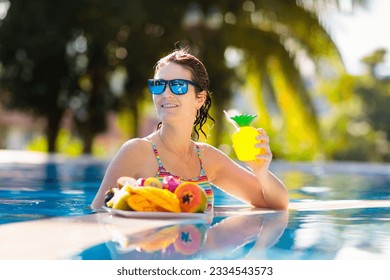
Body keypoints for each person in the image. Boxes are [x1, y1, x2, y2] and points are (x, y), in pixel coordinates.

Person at [91, 47, 288, 211]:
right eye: (159, 85)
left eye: (178, 86)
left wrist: (260, 171)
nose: (166, 94)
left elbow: (276, 204)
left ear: (200, 98)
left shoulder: (207, 158)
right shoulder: (136, 151)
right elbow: (98, 214)